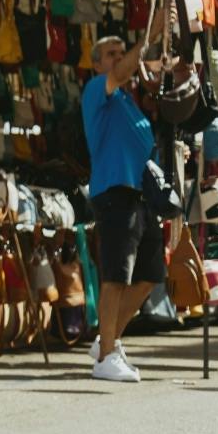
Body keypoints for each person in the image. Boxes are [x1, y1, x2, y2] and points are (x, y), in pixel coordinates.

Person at [83, 35, 162, 383]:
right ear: (97, 64)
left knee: (150, 275)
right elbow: (127, 68)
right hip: (115, 192)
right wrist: (152, 33)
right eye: (110, 55)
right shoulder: (98, 89)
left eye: (120, 53)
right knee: (116, 277)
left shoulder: (128, 100)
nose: (117, 59)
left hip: (139, 195)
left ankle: (108, 340)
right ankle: (106, 356)